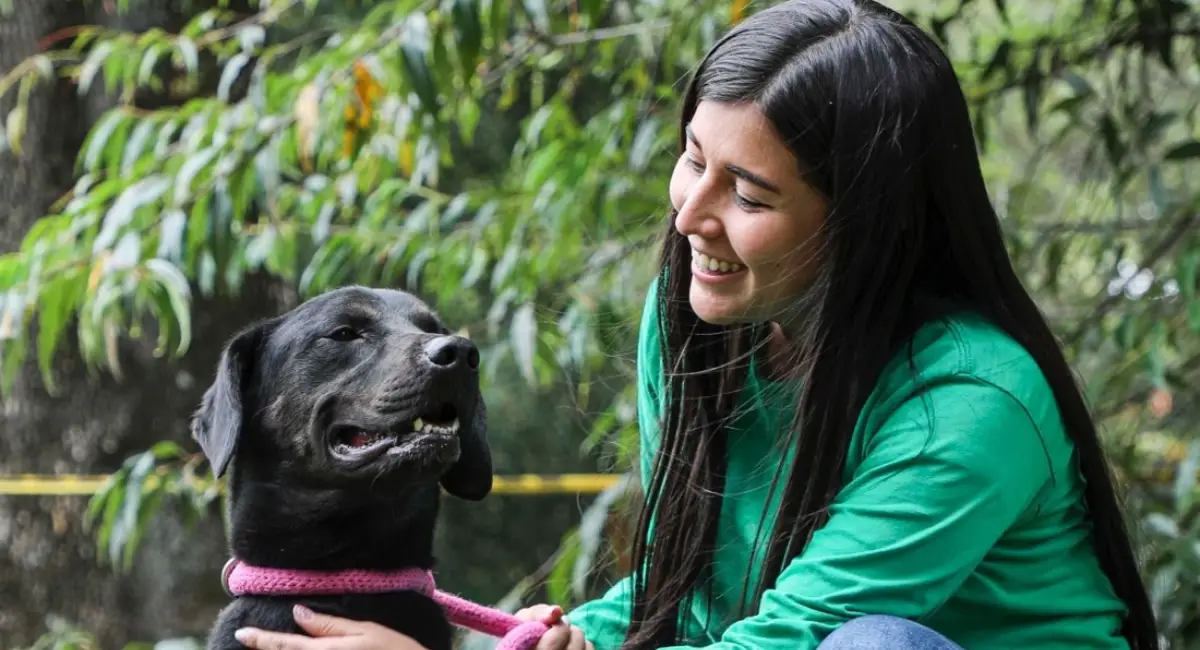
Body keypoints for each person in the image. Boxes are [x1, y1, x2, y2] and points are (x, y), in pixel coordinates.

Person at [232, 0, 1160, 649]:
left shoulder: (970, 404)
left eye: (748, 193)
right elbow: (697, 595)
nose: (688, 217)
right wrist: (569, 638)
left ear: (867, 227)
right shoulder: (701, 319)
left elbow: (791, 641)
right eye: (692, 160)